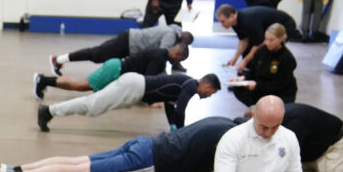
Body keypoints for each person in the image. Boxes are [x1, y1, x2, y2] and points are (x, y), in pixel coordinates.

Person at [0, 116, 238, 172]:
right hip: (147, 162)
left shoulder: (222, 122)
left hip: (146, 144)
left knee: (78, 163)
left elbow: (209, 162)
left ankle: (16, 170)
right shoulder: (230, 139)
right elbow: (216, 167)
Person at [35, 70, 219, 132]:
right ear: (205, 84)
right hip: (134, 87)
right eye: (210, 92)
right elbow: (180, 110)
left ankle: (50, 111)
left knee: (93, 106)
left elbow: (171, 108)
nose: (208, 96)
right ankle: (49, 111)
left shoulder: (184, 84)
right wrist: (182, 133)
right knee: (91, 105)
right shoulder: (190, 85)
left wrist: (174, 127)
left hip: (134, 87)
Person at [36, 44, 188, 103]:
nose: (178, 62)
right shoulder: (159, 59)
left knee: (81, 85)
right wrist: (153, 102)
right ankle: (43, 80)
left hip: (116, 66)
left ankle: (44, 81)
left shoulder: (159, 51)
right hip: (115, 70)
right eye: (181, 59)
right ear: (178, 55)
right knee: (80, 85)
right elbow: (148, 81)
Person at [49, 25, 191, 74]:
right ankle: (58, 60)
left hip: (130, 40)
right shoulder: (171, 36)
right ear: (183, 40)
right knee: (97, 55)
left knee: (98, 53)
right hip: (129, 43)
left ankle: (60, 60)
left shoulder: (173, 30)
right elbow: (161, 55)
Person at [229, 22, 297, 105]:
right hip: (260, 87)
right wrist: (242, 78)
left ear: (281, 39)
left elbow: (279, 85)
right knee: (238, 89)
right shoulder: (261, 51)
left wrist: (257, 86)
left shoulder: (287, 59)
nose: (267, 43)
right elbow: (252, 72)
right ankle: (257, 109)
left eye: (271, 40)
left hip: (279, 93)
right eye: (265, 39)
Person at [217, 4, 298, 70]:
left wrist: (244, 61)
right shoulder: (235, 23)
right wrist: (235, 58)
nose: (222, 25)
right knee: (250, 53)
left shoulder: (247, 21)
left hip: (286, 24)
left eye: (223, 21)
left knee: (269, 48)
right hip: (266, 26)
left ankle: (272, 73)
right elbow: (243, 40)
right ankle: (250, 75)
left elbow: (259, 43)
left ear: (231, 16)